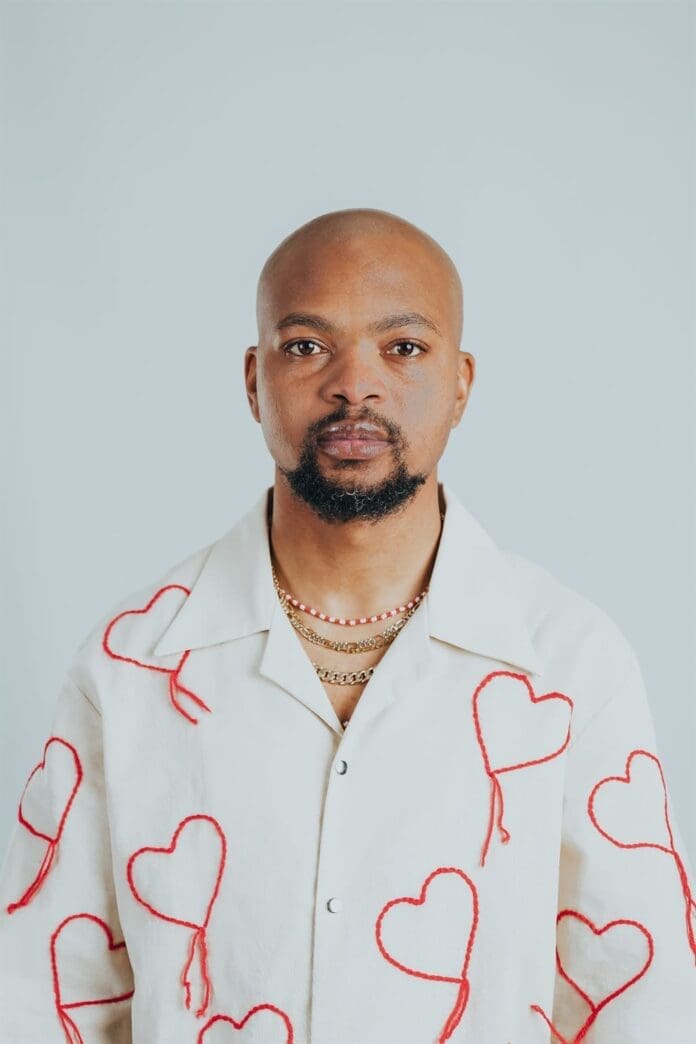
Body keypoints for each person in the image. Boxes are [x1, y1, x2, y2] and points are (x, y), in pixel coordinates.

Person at [0, 207, 694, 1044]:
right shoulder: (131, 665)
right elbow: (42, 993)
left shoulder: (571, 662)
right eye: (306, 346)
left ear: (463, 383)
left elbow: (643, 997)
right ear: (254, 380)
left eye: (403, 348)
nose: (354, 385)